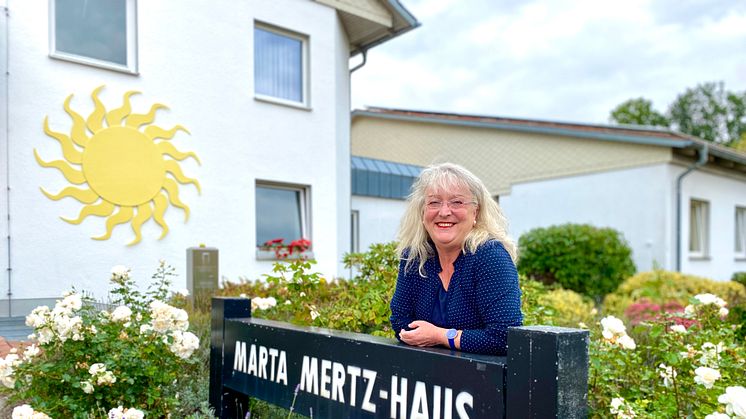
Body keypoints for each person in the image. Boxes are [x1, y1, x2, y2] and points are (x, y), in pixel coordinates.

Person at [389, 162, 522, 355]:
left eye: (457, 202)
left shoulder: (490, 256)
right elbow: (401, 323)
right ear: (423, 212)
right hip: (427, 379)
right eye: (434, 202)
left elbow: (504, 337)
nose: (444, 212)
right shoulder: (415, 257)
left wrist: (440, 336)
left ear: (475, 212)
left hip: (481, 380)